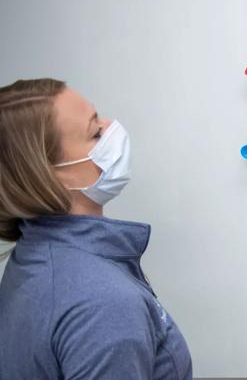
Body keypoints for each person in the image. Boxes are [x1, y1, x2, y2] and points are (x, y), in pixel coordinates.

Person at [0, 78, 192, 379]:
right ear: (51, 177)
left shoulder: (34, 258)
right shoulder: (104, 303)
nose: (112, 127)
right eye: (96, 132)